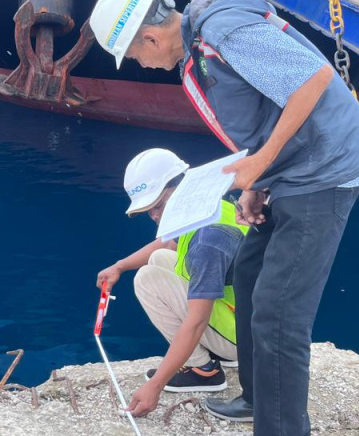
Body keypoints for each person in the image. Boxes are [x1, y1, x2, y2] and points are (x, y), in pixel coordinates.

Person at [89, 0, 359, 436]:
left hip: (326, 172)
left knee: (278, 313)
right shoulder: (197, 51)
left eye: (133, 54)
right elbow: (265, 112)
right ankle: (254, 394)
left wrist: (262, 164)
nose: (139, 65)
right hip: (292, 174)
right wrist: (258, 185)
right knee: (249, 274)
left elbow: (312, 80)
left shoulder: (223, 31)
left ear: (150, 39)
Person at [96, 148, 248, 415]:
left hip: (244, 340)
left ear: (183, 186)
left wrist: (155, 385)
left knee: (147, 279)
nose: (155, 216)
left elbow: (197, 320)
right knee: (160, 259)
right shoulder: (211, 208)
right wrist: (119, 266)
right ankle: (220, 355)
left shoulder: (210, 241)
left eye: (158, 206)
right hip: (245, 321)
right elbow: (167, 241)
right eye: (149, 210)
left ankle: (205, 371)